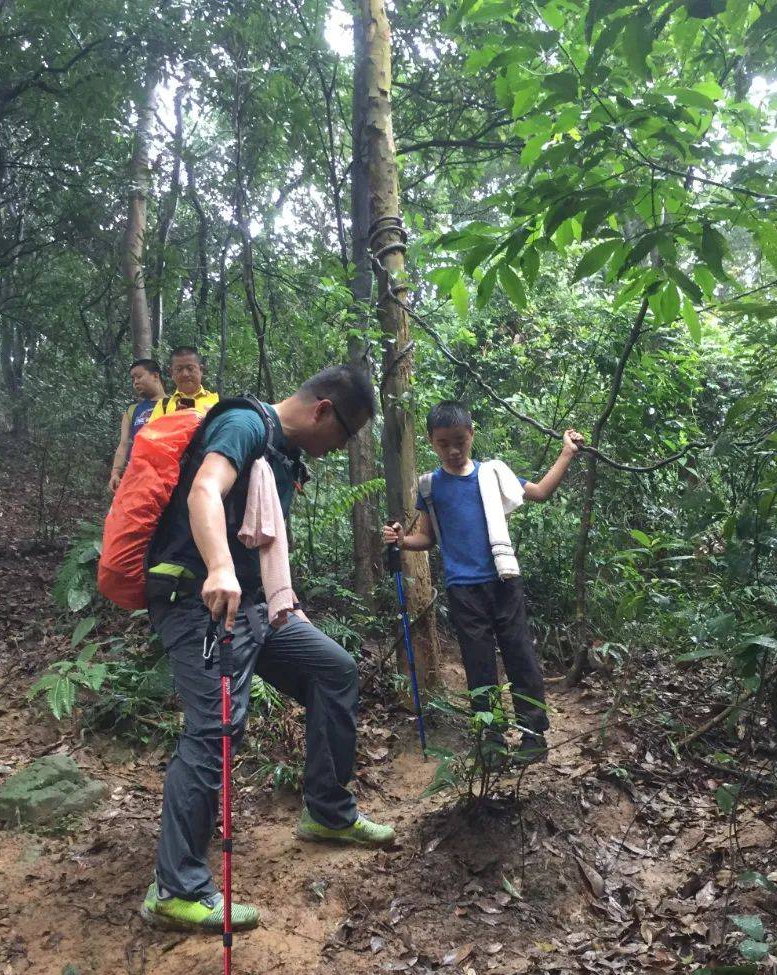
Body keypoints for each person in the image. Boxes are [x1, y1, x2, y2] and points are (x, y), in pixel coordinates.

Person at [140, 364, 394, 935]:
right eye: (346, 435)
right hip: (196, 596)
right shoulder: (243, 424)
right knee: (215, 729)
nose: (341, 448)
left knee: (334, 669)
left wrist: (275, 597)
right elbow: (205, 489)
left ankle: (327, 813)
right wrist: (221, 568)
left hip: (257, 606)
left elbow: (264, 537)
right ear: (324, 410)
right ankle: (175, 888)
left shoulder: (283, 454)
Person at [383, 401, 583, 766]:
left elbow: (538, 492)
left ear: (472, 434)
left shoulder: (492, 474)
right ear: (431, 442)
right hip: (463, 589)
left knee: (520, 655)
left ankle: (533, 734)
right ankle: (490, 739)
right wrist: (399, 540)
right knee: (478, 665)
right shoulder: (430, 487)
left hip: (504, 581)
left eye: (460, 440)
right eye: (444, 443)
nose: (454, 450)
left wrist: (566, 453)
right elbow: (426, 539)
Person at [108, 359, 166, 493]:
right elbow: (124, 443)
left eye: (139, 376)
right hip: (135, 476)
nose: (135, 382)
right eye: (133, 379)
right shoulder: (132, 410)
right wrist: (115, 473)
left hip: (164, 477)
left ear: (155, 376)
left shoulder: (174, 405)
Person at [148, 345, 220, 421]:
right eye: (179, 369)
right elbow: (152, 432)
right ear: (171, 373)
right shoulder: (163, 406)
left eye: (190, 368)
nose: (185, 374)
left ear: (201, 370)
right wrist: (174, 420)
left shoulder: (217, 401)